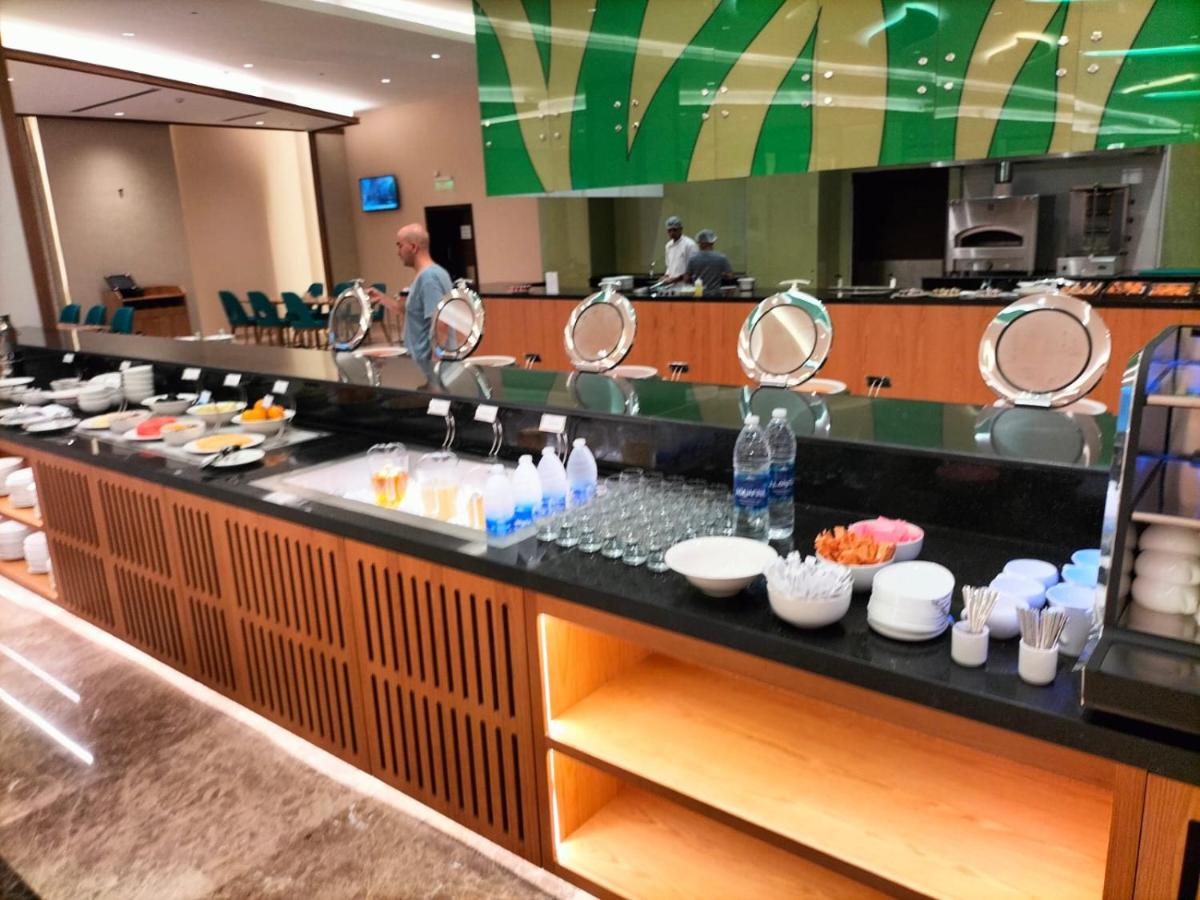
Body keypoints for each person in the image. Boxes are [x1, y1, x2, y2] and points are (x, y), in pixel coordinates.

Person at [372, 223, 452, 378]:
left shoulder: (429, 278)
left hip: (428, 367)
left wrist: (435, 369)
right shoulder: (431, 274)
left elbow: (441, 324)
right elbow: (412, 311)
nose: (398, 252)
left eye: (400, 246)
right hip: (422, 365)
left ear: (413, 247)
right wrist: (381, 298)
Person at [685, 229, 733, 295]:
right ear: (712, 242)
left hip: (698, 294)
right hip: (715, 295)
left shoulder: (693, 258)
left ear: (699, 243)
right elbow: (730, 276)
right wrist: (719, 274)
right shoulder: (721, 258)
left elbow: (686, 279)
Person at [661, 215, 697, 284]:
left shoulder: (689, 244)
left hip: (685, 286)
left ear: (681, 229)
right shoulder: (668, 246)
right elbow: (669, 266)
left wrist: (676, 279)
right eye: (669, 230)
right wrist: (666, 276)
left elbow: (693, 269)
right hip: (671, 285)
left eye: (674, 230)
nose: (672, 233)